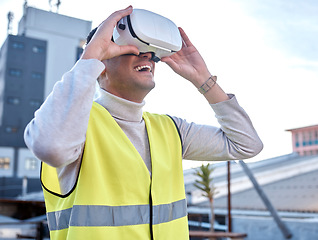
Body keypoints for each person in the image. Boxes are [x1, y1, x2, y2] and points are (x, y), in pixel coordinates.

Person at [24, 6, 263, 240]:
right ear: (101, 66)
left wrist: (203, 79)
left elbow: (246, 144)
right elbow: (50, 147)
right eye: (132, 48)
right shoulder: (77, 126)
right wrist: (90, 57)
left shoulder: (171, 131)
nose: (147, 55)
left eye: (150, 52)